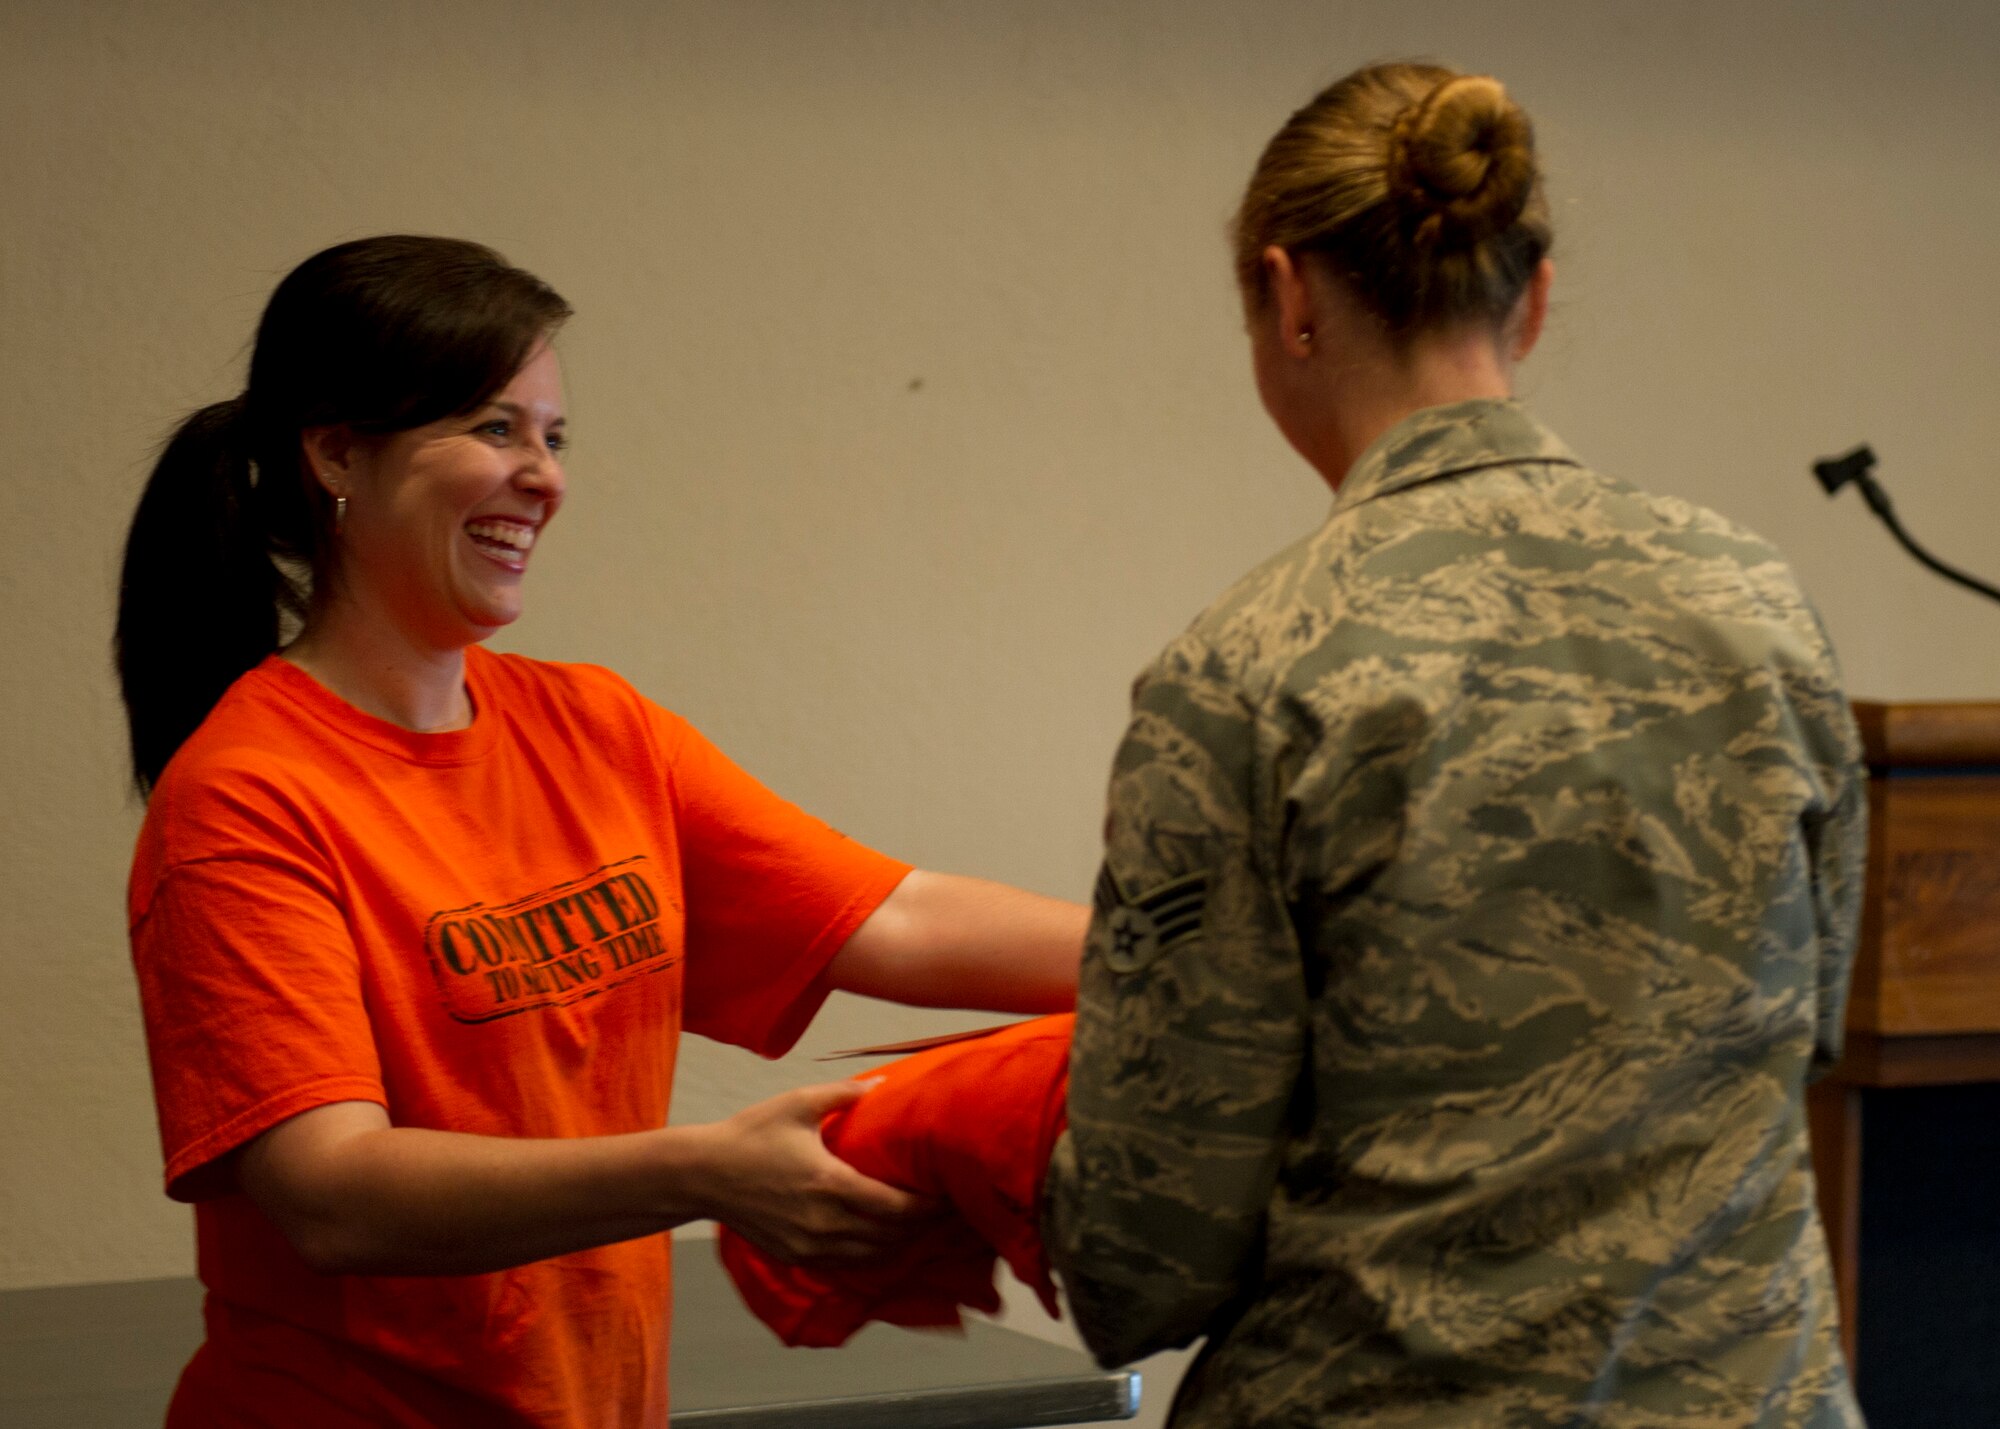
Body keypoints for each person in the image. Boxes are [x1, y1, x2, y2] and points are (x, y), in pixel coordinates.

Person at [115, 234, 1086, 1428]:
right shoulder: (245, 794)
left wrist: (1216, 960)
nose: (544, 477)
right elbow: (334, 1193)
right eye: (493, 427)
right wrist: (703, 1169)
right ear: (336, 455)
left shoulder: (596, 727)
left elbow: (890, 913)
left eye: (553, 436)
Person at [1043, 62, 1867, 1426]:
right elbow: (1804, 1033)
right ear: (1531, 298)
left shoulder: (1247, 670)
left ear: (1289, 297)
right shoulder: (1761, 603)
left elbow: (1145, 1258)